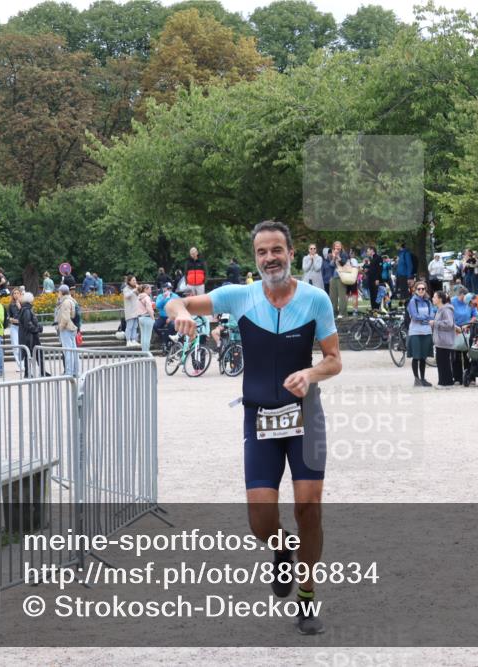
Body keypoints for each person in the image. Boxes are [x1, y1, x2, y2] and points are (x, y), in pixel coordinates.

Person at [165, 220, 340, 635]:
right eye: (262, 252)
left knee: (308, 508)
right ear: (255, 258)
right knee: (261, 521)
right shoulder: (239, 296)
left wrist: (310, 374)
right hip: (258, 416)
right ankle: (283, 548)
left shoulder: (315, 300)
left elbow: (334, 359)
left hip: (305, 416)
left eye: (276, 250)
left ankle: (307, 598)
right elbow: (173, 302)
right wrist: (181, 314)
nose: (269, 258)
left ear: (291, 253)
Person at [407, 280, 434, 387]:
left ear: (425, 290)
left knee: (423, 357)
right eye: (419, 289)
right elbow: (414, 316)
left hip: (426, 332)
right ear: (415, 290)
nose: (421, 290)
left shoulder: (428, 301)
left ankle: (423, 379)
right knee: (416, 356)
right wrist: (426, 319)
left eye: (423, 289)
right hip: (415, 332)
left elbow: (432, 315)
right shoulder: (412, 301)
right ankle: (416, 379)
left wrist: (423, 318)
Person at [431, 291, 460, 389]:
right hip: (440, 340)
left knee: (444, 362)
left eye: (434, 297)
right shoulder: (440, 309)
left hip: (445, 340)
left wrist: (435, 323)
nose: (433, 299)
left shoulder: (446, 309)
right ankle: (443, 382)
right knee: (441, 362)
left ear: (440, 299)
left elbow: (449, 323)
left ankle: (446, 383)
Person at [54, 285, 80, 377]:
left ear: (61, 292)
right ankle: (75, 371)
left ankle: (69, 372)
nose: (58, 293)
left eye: (59, 292)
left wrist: (60, 327)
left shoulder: (65, 302)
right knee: (73, 350)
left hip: (66, 329)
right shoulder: (71, 300)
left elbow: (65, 318)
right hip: (71, 328)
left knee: (68, 351)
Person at [17, 292, 43, 377]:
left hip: (29, 336)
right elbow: (28, 324)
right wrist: (37, 329)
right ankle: (28, 373)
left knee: (34, 354)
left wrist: (37, 327)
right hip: (30, 336)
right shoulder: (26, 310)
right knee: (31, 354)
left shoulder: (25, 309)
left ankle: (40, 372)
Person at [6, 287, 26, 373]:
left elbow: (26, 314)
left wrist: (20, 306)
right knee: (15, 346)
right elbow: (9, 316)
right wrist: (11, 319)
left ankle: (24, 364)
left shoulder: (24, 303)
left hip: (22, 327)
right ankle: (20, 365)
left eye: (17, 293)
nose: (16, 295)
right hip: (14, 327)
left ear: (20, 294)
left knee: (23, 346)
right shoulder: (11, 305)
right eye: (14, 293)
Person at [328, 241, 350, 318]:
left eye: (339, 246)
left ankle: (342, 313)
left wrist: (338, 257)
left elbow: (343, 263)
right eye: (336, 246)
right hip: (333, 277)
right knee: (333, 296)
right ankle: (334, 312)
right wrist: (334, 258)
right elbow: (331, 265)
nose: (337, 247)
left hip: (341, 277)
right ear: (334, 247)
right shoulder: (331, 254)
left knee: (342, 296)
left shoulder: (344, 254)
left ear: (341, 247)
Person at [122, 274, 140, 347]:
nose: (135, 281)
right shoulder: (126, 289)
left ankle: (134, 340)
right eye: (133, 280)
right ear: (129, 281)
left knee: (135, 326)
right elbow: (127, 296)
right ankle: (128, 340)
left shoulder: (136, 288)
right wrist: (133, 290)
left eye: (135, 280)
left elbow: (140, 295)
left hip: (136, 310)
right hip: (130, 311)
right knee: (129, 326)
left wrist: (138, 289)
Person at [136, 284, 155, 352]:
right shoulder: (147, 297)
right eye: (149, 289)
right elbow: (149, 308)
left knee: (143, 336)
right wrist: (153, 318)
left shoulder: (139, 297)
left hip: (140, 317)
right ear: (145, 290)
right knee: (147, 337)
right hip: (147, 317)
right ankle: (147, 352)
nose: (151, 291)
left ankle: (143, 352)